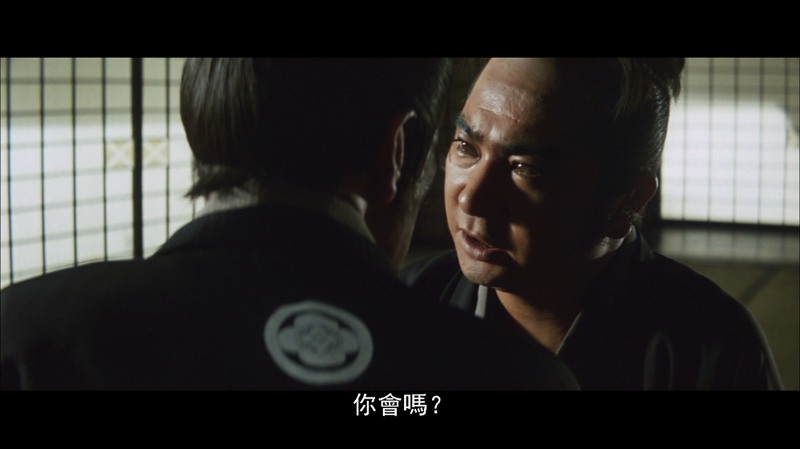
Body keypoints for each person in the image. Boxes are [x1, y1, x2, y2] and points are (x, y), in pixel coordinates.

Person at [1, 58, 579, 390]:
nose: (474, 195)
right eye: (461, 148)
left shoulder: (23, 334)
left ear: (201, 118)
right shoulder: (509, 376)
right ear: (396, 150)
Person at [402, 58, 783, 390]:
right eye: (466, 147)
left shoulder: (709, 347)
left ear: (627, 201)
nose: (472, 199)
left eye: (526, 169)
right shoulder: (411, 298)